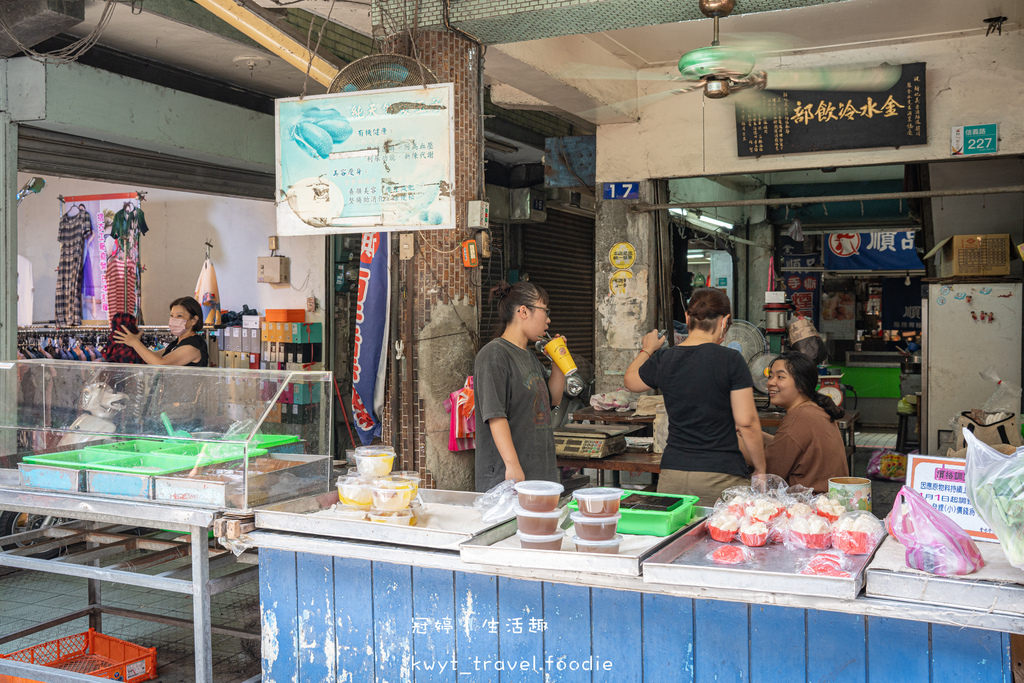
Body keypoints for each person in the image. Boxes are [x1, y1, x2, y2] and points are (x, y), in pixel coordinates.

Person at [624, 288, 765, 506]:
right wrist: (760, 468)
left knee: (677, 539)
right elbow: (746, 422)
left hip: (672, 476)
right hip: (721, 476)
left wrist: (648, 349)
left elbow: (631, 381)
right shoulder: (731, 360)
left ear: (687, 318)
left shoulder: (664, 358)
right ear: (725, 321)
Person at [474, 280, 566, 492]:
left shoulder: (529, 356)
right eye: (545, 311)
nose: (548, 320)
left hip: (539, 473)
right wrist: (512, 465)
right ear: (524, 311)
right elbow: (495, 415)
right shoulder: (494, 355)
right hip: (509, 478)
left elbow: (553, 399)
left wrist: (558, 362)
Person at [747, 351, 849, 492]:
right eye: (770, 376)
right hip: (827, 502)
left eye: (780, 377)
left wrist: (736, 443)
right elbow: (789, 445)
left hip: (808, 507)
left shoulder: (799, 418)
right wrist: (754, 434)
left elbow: (769, 473)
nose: (770, 382)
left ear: (801, 384)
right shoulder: (814, 410)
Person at [113, 296, 209, 367]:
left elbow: (160, 363)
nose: (174, 319)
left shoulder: (193, 346)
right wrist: (136, 343)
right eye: (172, 315)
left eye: (179, 316)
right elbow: (150, 359)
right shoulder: (176, 343)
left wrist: (135, 343)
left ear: (194, 320)